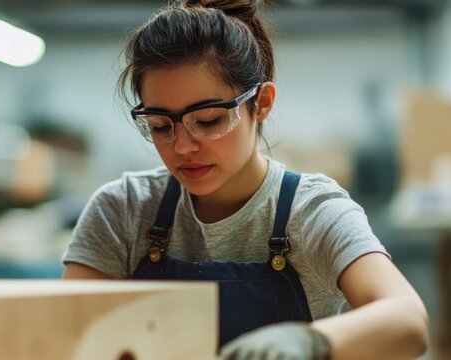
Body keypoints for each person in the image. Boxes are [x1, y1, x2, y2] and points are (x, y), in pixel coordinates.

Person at [62, 0, 428, 358]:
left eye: (208, 120)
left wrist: (310, 342)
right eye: (160, 126)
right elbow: (62, 332)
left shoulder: (311, 212)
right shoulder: (125, 210)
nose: (183, 146)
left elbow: (408, 321)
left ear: (262, 102)